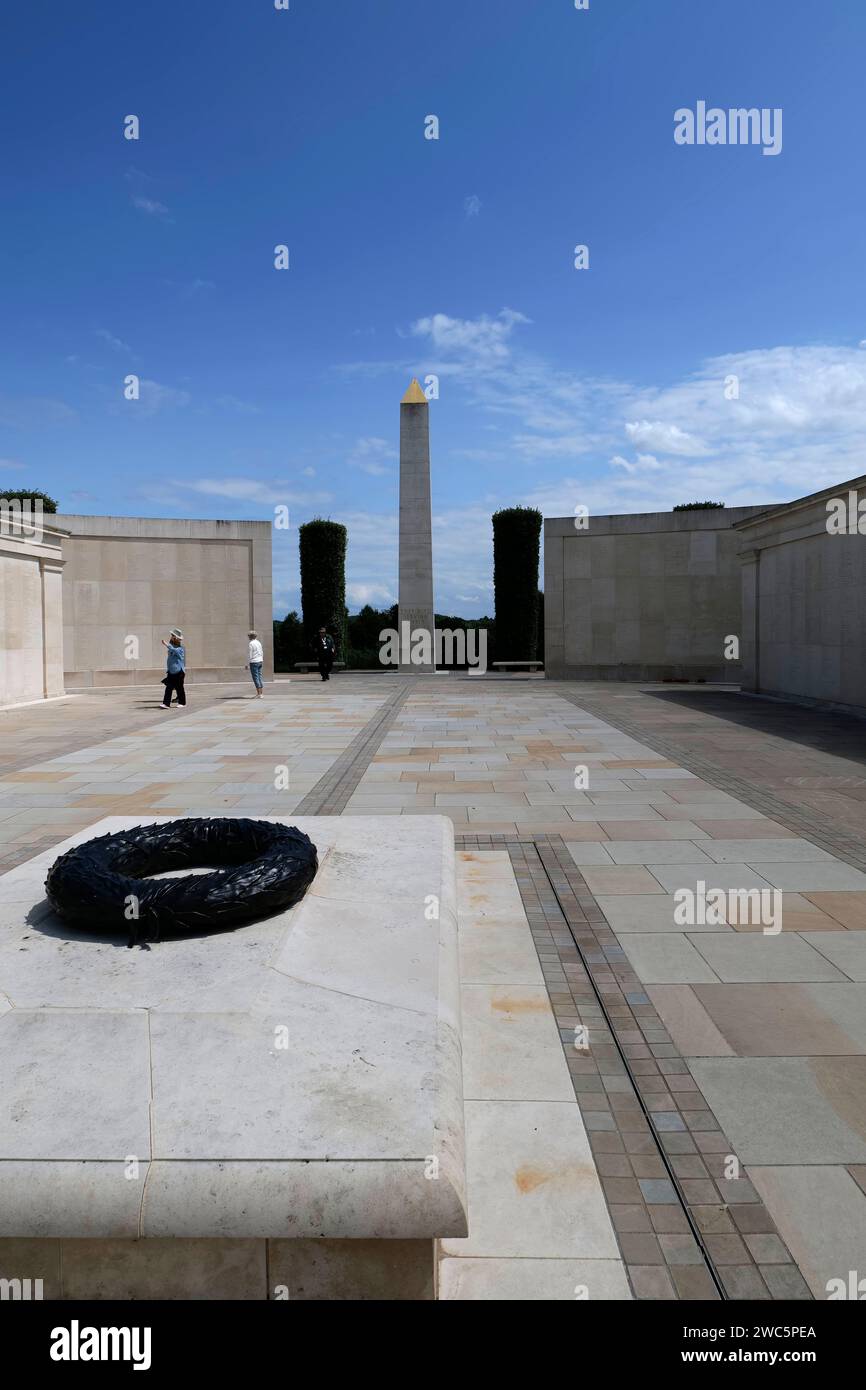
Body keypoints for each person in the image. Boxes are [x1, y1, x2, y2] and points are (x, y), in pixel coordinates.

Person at [160, 629, 186, 708]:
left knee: (179, 688)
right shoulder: (172, 647)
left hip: (179, 672)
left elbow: (175, 651)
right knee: (169, 688)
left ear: (177, 638)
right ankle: (166, 704)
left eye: (173, 636)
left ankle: (182, 703)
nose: (171, 637)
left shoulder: (180, 649)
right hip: (171, 671)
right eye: (171, 636)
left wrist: (167, 645)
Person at [247, 629, 264, 698]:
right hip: (260, 661)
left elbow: (250, 654)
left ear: (250, 636)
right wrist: (261, 659)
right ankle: (261, 693)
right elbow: (261, 652)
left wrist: (248, 663)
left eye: (248, 636)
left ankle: (259, 694)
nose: (248, 637)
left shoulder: (251, 643)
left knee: (255, 678)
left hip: (254, 662)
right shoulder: (258, 642)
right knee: (259, 677)